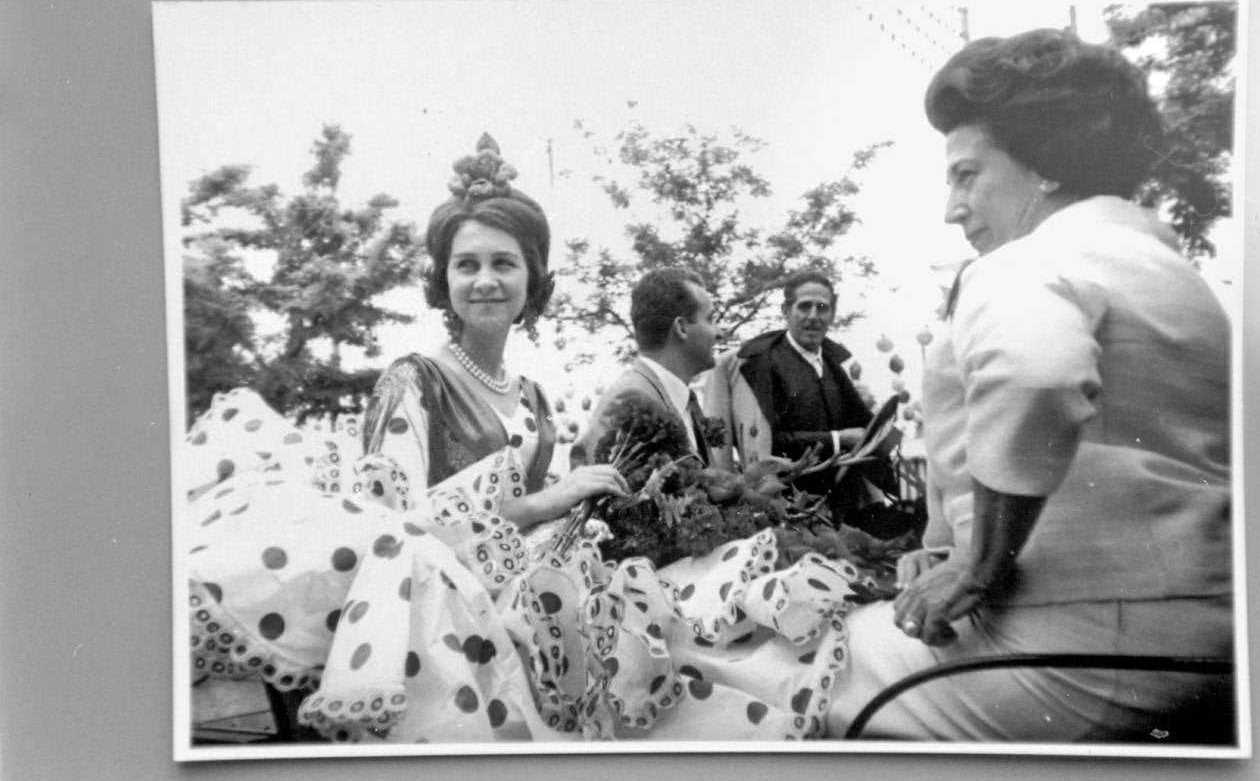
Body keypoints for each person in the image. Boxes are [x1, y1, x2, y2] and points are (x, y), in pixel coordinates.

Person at [183, 134, 865, 745]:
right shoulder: (414, 383)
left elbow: (539, 526)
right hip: (443, 620)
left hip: (536, 600)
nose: (485, 281)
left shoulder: (534, 398)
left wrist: (585, 518)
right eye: (466, 264)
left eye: (504, 263)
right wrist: (550, 502)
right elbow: (396, 534)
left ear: (532, 279)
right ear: (442, 280)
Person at [825, 29, 1235, 742]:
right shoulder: (1176, 277)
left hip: (1070, 646)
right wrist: (952, 544)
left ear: (1044, 167)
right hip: (1209, 636)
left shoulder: (1026, 263)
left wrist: (980, 563)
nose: (952, 208)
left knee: (782, 671)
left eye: (967, 174)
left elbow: (1035, 373)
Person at [703, 272, 908, 535]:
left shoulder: (833, 366)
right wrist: (838, 439)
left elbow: (868, 428)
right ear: (786, 311)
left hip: (846, 509)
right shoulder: (762, 365)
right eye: (804, 306)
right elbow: (772, 444)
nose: (813, 315)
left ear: (832, 314)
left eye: (822, 307)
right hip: (787, 511)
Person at [570, 267, 719, 469]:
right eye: (710, 319)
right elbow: (597, 494)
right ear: (681, 328)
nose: (718, 333)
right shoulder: (631, 400)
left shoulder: (682, 400)